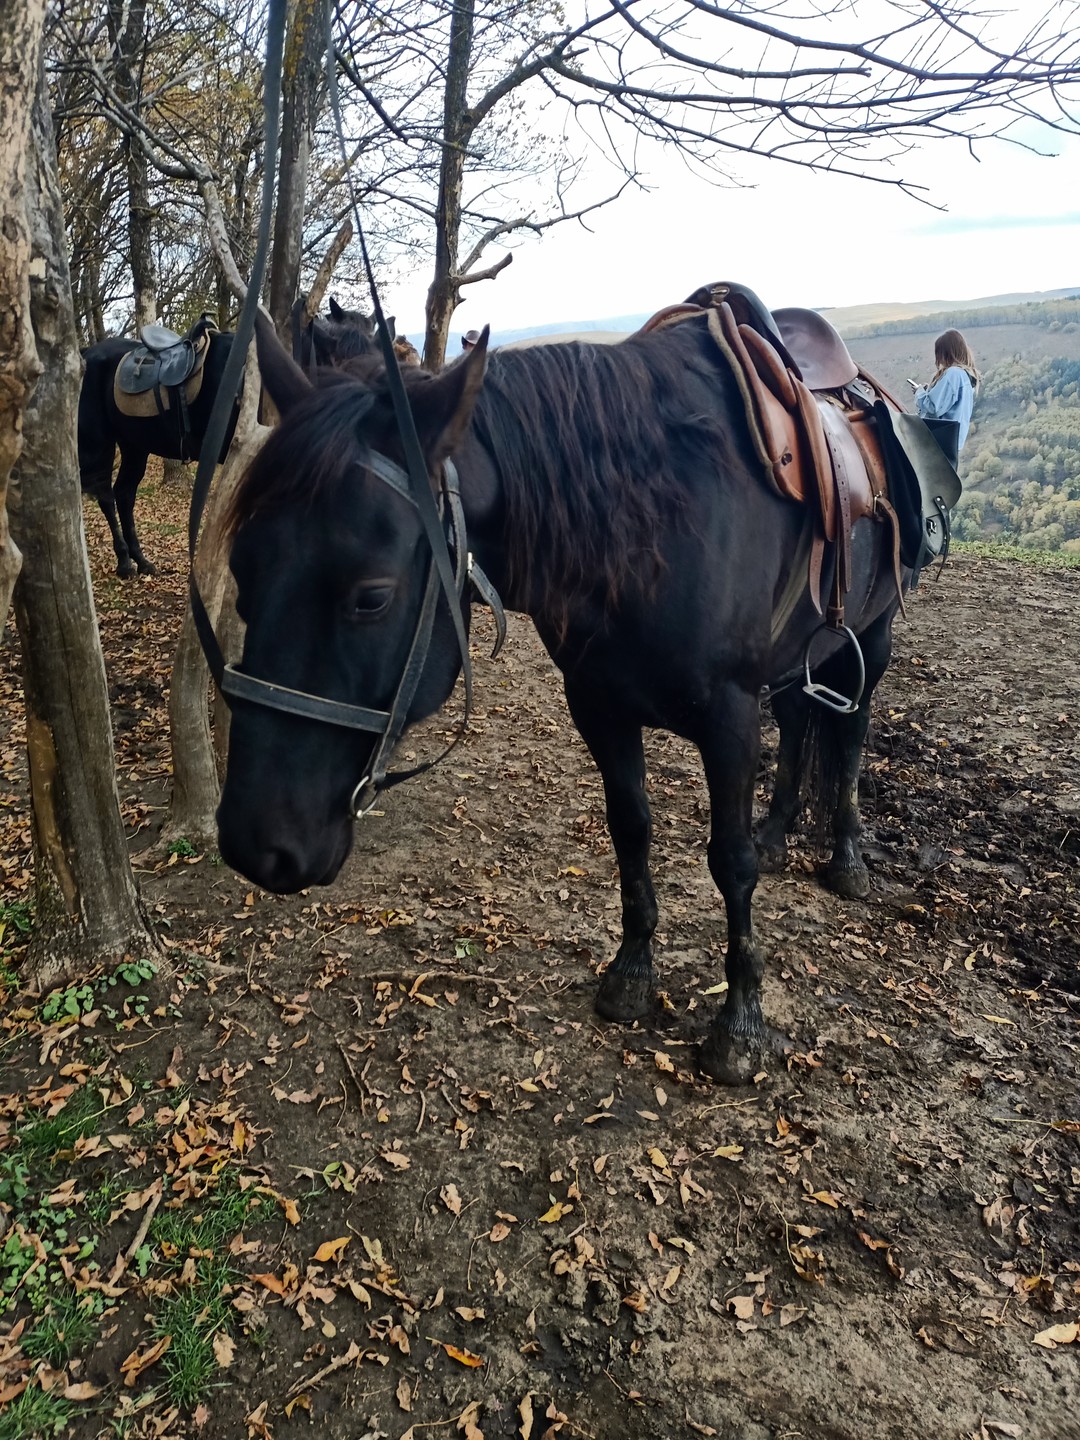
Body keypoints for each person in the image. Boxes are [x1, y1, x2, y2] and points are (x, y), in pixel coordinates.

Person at [908, 329, 979, 464]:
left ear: (946, 352)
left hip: (937, 441)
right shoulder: (966, 375)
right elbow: (949, 403)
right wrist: (930, 391)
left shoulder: (953, 374)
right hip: (951, 443)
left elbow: (934, 408)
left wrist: (920, 392)